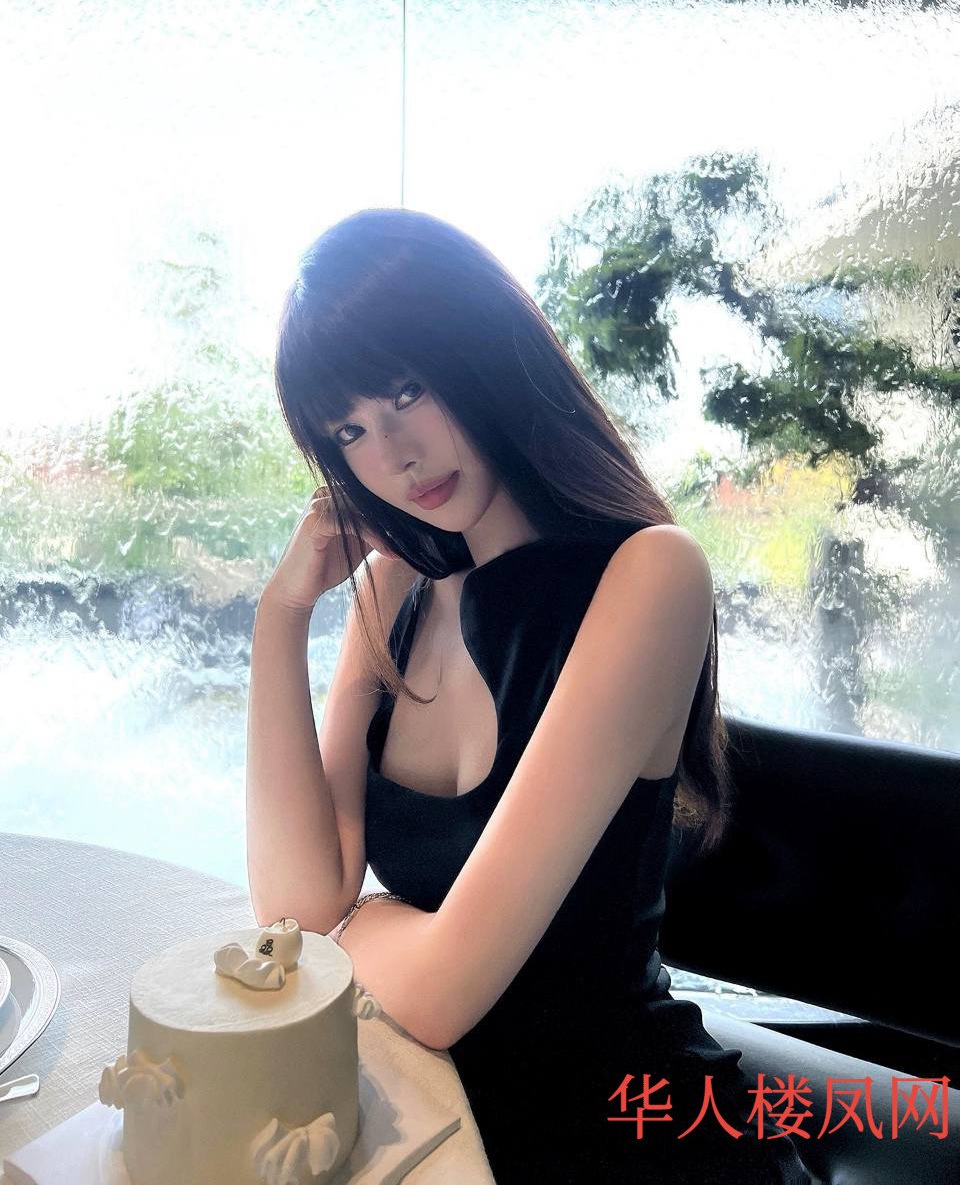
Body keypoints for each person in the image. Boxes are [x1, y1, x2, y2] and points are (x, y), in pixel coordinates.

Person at [246, 207, 813, 1184]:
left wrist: (355, 926)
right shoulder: (393, 589)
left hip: (629, 1134)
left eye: (407, 389)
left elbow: (433, 990)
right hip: (435, 1113)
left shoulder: (650, 574)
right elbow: (298, 903)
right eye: (351, 429)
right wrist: (281, 614)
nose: (394, 453)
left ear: (485, 347)